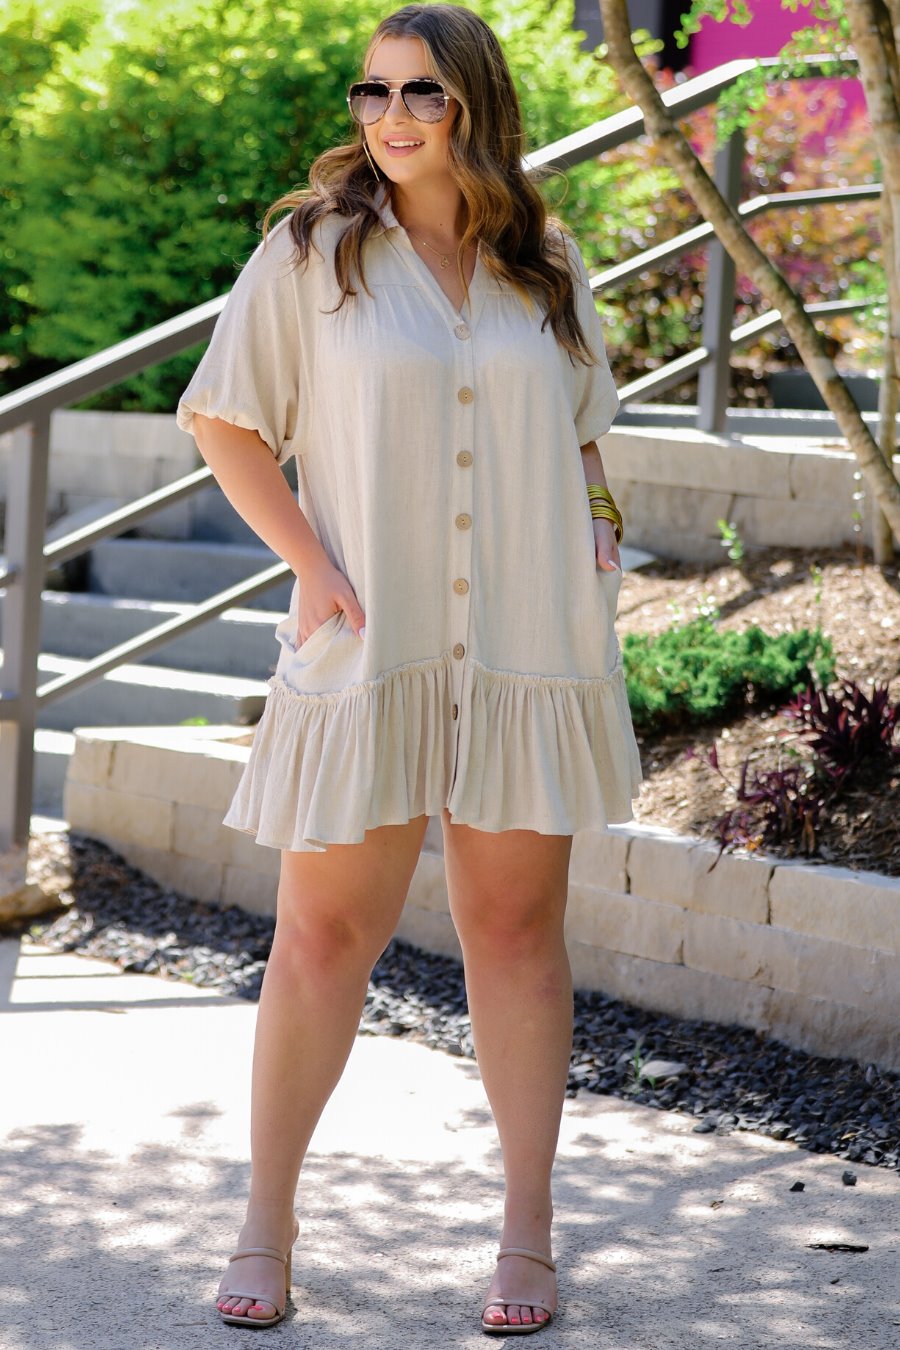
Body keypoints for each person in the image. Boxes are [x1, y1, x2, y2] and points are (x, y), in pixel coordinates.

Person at [175, 2, 643, 1335]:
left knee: (512, 931)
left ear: (474, 106)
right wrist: (313, 566)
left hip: (523, 644)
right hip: (365, 645)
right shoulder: (312, 253)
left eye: (420, 93)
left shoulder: (543, 261)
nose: (389, 118)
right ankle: (265, 1221)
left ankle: (527, 1235)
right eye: (370, 92)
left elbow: (586, 434)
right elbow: (225, 417)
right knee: (322, 935)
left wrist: (600, 550)